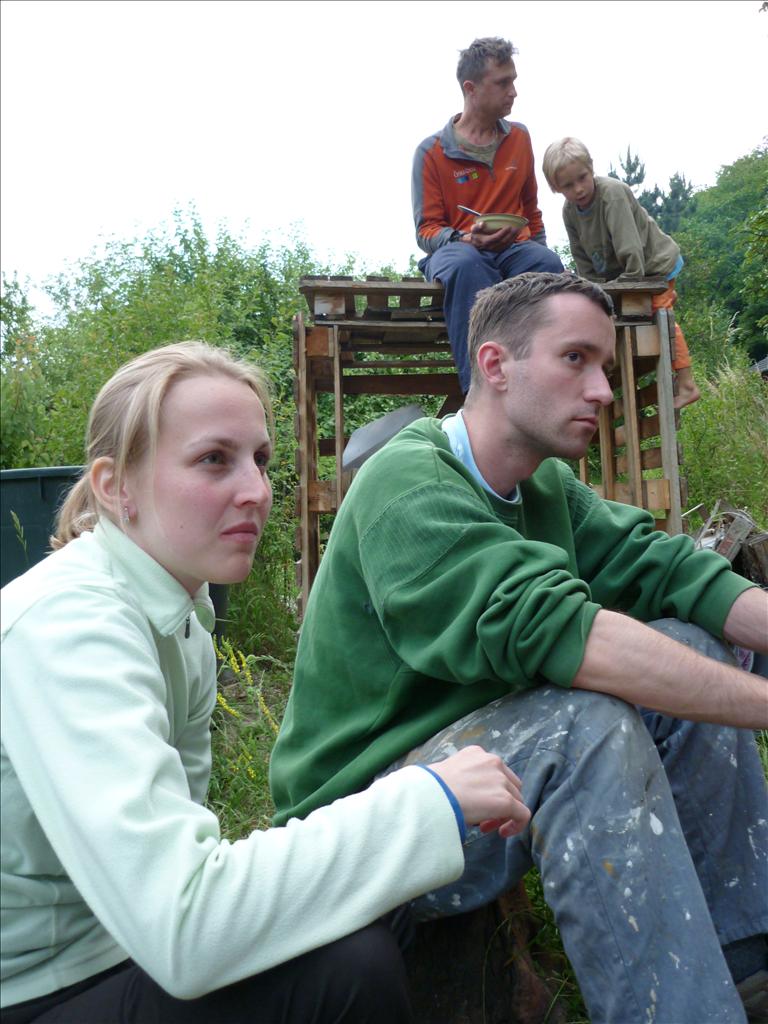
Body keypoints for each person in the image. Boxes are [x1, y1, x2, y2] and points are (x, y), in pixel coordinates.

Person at [270, 274, 768, 1024]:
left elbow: (665, 569)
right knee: (582, 726)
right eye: (575, 359)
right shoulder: (407, 484)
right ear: (496, 365)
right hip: (361, 827)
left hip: (479, 771)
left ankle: (746, 965)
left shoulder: (544, 487)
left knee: (688, 642)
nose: (603, 390)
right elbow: (565, 635)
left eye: (605, 366)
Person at [0, 341, 531, 1024]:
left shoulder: (179, 616)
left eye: (260, 459)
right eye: (213, 460)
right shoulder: (70, 628)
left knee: (377, 908)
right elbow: (184, 925)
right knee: (350, 970)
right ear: (114, 486)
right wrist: (428, 800)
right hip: (38, 985)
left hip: (119, 945)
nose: (255, 490)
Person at [412, 36, 563, 393]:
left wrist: (541, 249)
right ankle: (480, 392)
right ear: (471, 89)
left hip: (514, 249)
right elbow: (426, 230)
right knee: (466, 265)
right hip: (459, 251)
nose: (513, 92)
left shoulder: (520, 138)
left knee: (546, 265)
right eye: (503, 83)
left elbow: (531, 210)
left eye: (513, 81)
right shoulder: (432, 152)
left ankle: (541, 385)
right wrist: (464, 237)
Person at [543, 136, 701, 409]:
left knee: (659, 315)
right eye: (568, 185)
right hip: (623, 275)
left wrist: (631, 282)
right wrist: (588, 288)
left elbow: (629, 245)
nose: (578, 189)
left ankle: (687, 384)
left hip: (654, 267)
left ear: (591, 168)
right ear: (556, 188)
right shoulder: (570, 211)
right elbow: (581, 255)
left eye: (582, 178)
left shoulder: (612, 194)